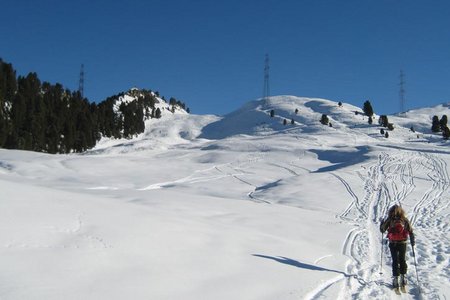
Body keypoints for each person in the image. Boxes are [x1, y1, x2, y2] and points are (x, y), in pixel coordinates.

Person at [380, 204, 415, 288]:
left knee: (395, 260)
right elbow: (410, 231)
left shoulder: (390, 219)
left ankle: (395, 279)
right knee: (402, 259)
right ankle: (403, 278)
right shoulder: (404, 220)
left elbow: (382, 230)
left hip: (393, 243)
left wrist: (381, 223)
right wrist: (412, 242)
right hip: (403, 243)